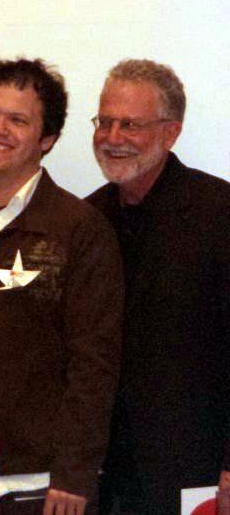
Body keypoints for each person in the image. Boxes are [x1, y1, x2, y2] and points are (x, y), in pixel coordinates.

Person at [0, 57, 124, 515]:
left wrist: (75, 474)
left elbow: (95, 364)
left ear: (47, 138)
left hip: (45, 486)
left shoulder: (79, 230)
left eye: (18, 120)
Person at [86, 59, 230, 514]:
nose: (112, 137)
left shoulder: (220, 214)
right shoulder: (87, 220)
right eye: (104, 122)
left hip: (196, 474)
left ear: (171, 133)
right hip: (104, 479)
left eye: (130, 124)